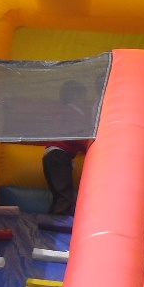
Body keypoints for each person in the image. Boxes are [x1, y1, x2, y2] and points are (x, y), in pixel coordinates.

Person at [42, 80, 91, 216]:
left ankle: (50, 223)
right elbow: (76, 135)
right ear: (76, 96)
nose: (85, 100)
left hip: (50, 154)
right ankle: (59, 224)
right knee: (65, 197)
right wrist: (90, 148)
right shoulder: (74, 113)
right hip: (59, 154)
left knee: (59, 196)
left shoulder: (63, 111)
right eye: (83, 96)